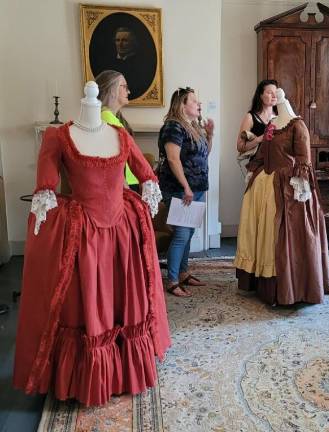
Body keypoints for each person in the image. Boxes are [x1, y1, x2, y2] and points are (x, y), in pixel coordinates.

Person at [13, 81, 171, 406]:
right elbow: (46, 184)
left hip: (122, 234)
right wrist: (44, 203)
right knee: (87, 308)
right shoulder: (58, 136)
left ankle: (123, 371)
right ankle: (89, 377)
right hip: (82, 235)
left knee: (123, 304)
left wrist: (150, 194)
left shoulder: (120, 135)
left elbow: (146, 176)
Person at [234, 87, 329, 305]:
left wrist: (297, 187)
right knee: (259, 233)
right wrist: (254, 170)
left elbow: (304, 161)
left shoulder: (297, 125)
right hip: (265, 184)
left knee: (281, 235)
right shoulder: (271, 125)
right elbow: (262, 152)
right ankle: (259, 282)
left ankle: (290, 287)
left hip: (289, 189)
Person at [158, 87, 214, 297]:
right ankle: (172, 281)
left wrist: (210, 135)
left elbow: (204, 154)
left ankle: (182, 273)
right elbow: (173, 159)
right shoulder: (173, 126)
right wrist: (186, 187)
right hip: (180, 189)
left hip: (197, 188)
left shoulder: (193, 127)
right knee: (181, 234)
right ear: (182, 105)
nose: (199, 104)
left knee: (189, 232)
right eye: (194, 101)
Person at [95, 69, 140, 191]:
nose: (129, 91)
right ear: (112, 89)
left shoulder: (114, 117)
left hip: (129, 180)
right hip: (123, 184)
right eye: (124, 87)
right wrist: (125, 187)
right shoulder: (106, 117)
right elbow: (111, 160)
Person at [106, 27, 155, 99]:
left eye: (125, 40)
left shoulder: (142, 64)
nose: (120, 44)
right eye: (117, 40)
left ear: (133, 43)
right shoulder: (108, 63)